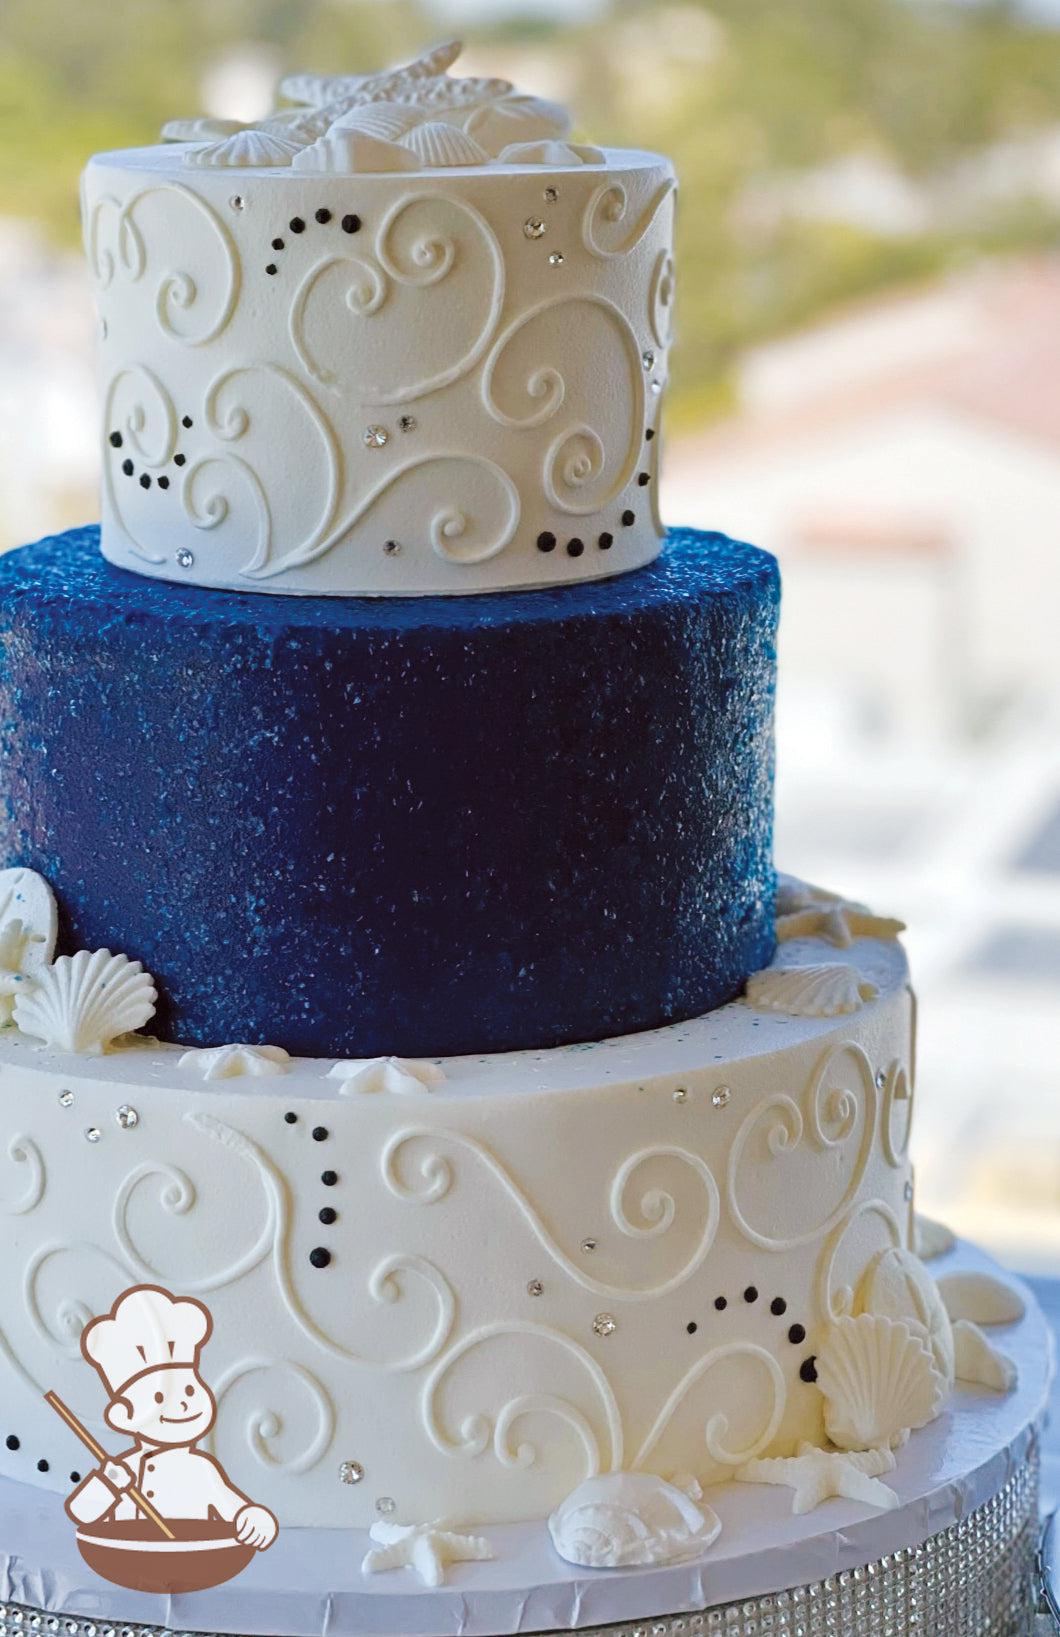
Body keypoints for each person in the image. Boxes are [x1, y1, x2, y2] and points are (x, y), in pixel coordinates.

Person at [65, 1284, 277, 1549]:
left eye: (189, 1390)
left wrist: (253, 1519)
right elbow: (82, 1512)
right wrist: (108, 1484)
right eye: (160, 1399)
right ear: (124, 1415)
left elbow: (235, 1511)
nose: (184, 1405)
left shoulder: (202, 1469)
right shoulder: (125, 1470)